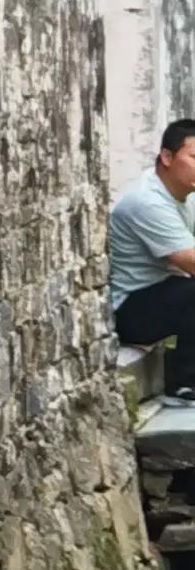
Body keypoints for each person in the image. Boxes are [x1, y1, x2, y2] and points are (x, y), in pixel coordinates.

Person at [110, 118, 195, 385]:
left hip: (167, 291)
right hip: (131, 308)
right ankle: (184, 385)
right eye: (194, 157)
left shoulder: (187, 193)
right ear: (167, 157)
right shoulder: (147, 200)